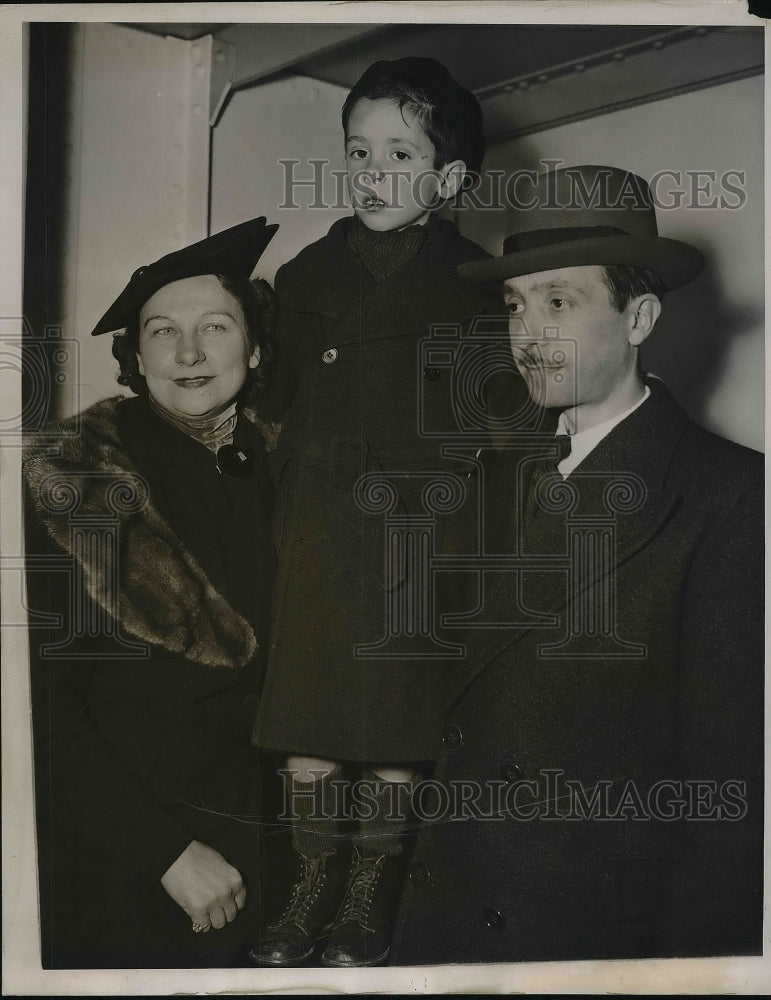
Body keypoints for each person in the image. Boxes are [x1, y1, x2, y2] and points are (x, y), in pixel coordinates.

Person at [390, 165, 763, 963]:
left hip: (585, 941)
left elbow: (729, 801)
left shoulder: (730, 496)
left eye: (558, 302)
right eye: (515, 305)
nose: (526, 335)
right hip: (446, 914)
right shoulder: (488, 475)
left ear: (640, 317)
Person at [249, 58, 504, 968]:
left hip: (416, 539)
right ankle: (307, 888)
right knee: (309, 728)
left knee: (397, 729)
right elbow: (266, 393)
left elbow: (503, 420)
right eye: (358, 151)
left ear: (449, 180)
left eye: (401, 153)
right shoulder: (303, 275)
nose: (373, 172)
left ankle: (366, 895)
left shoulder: (477, 285)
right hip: (316, 528)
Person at [24, 218, 285, 968]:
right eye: (163, 332)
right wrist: (166, 852)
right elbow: (42, 712)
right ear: (137, 357)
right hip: (134, 863)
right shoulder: (74, 481)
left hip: (271, 848)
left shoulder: (290, 464)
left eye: (215, 326)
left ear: (256, 346)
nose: (191, 352)